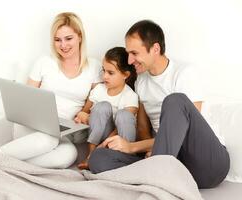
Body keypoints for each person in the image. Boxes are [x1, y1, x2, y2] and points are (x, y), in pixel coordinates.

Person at [88, 20, 230, 189]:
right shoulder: (141, 81)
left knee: (175, 100)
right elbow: (143, 130)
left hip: (206, 162)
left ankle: (156, 176)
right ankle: (157, 174)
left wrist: (132, 147)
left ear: (155, 49)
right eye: (128, 53)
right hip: (172, 163)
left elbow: (185, 134)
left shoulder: (184, 73)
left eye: (134, 53)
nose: (130, 60)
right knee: (99, 158)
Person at [0, 12, 102, 169]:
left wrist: (84, 115)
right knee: (49, 139)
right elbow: (25, 99)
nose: (63, 45)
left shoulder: (94, 67)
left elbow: (94, 102)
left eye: (68, 38)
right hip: (32, 125)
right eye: (57, 40)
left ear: (80, 37)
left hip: (62, 131)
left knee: (69, 155)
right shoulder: (44, 62)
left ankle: (10, 161)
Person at [75, 47, 138, 170]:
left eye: (110, 73)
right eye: (104, 71)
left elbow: (120, 129)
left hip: (120, 141)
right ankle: (91, 155)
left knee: (124, 115)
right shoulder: (98, 90)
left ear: (125, 75)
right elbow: (84, 111)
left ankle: (125, 157)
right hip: (99, 140)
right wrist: (83, 115)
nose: (104, 76)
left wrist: (104, 145)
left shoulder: (131, 96)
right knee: (102, 106)